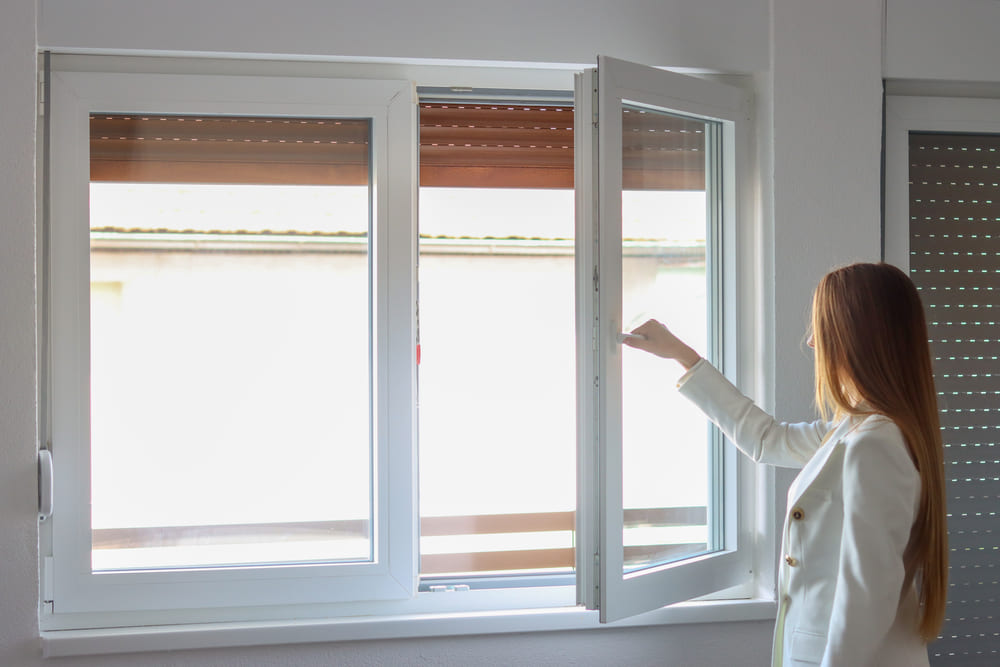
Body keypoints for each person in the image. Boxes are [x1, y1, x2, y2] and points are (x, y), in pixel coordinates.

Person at [625, 262, 947, 667]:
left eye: (822, 328)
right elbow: (767, 439)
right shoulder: (856, 429)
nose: (811, 342)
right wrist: (682, 355)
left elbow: (867, 599)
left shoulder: (874, 444)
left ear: (857, 337)